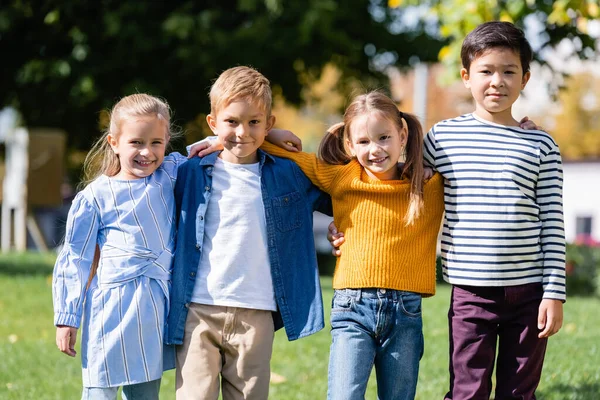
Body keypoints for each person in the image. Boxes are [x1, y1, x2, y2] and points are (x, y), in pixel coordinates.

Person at [195, 89, 446, 400]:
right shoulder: (341, 177)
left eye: (384, 138)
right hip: (353, 308)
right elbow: (280, 151)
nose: (375, 149)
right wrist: (235, 136)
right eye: (364, 142)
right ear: (350, 145)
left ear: (403, 134)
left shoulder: (429, 185)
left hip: (406, 313)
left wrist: (523, 130)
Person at [165, 66, 332, 400]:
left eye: (255, 122)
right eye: (231, 122)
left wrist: (273, 140)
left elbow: (336, 188)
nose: (242, 132)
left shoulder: (288, 173)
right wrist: (211, 143)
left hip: (256, 312)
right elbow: (153, 167)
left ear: (269, 123)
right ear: (213, 123)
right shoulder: (191, 171)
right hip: (198, 309)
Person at [424, 21, 566, 400]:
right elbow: (394, 180)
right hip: (470, 293)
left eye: (509, 71)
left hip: (529, 293)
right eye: (486, 71)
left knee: (519, 392)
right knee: (467, 390)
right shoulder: (440, 138)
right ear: (466, 76)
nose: (497, 81)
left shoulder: (541, 145)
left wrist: (554, 293)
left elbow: (552, 222)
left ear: (525, 78)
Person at [53, 93, 185, 399]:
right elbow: (75, 258)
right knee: (100, 389)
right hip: (111, 309)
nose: (146, 152)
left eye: (156, 143)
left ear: (167, 142)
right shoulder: (95, 196)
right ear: (114, 142)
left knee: (145, 392)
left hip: (154, 308)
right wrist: (67, 317)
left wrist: (273, 134)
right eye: (136, 142)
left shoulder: (170, 174)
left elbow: (218, 143)